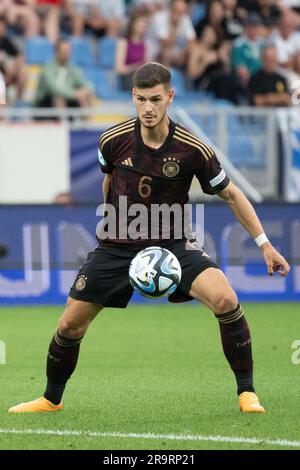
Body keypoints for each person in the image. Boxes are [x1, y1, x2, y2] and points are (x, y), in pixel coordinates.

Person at [8, 62, 290, 414]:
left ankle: (247, 393)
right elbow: (108, 182)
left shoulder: (192, 149)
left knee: (225, 299)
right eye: (141, 99)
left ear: (170, 97)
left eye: (156, 99)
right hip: (117, 246)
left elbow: (232, 195)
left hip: (173, 243)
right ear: (133, 97)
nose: (148, 108)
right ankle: (50, 399)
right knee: (69, 323)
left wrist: (265, 244)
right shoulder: (111, 140)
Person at [34, 39, 93, 109]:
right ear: (56, 52)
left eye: (69, 50)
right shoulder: (47, 68)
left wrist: (85, 91)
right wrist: (75, 94)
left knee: (85, 96)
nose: (68, 53)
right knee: (57, 96)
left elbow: (86, 84)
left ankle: (86, 119)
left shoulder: (72, 69)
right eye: (65, 50)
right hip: (44, 104)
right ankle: (63, 119)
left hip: (67, 101)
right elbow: (53, 88)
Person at [115, 12, 151, 90]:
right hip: (129, 78)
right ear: (133, 25)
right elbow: (119, 69)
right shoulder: (123, 42)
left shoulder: (146, 45)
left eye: (145, 25)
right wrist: (136, 66)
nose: (143, 28)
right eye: (141, 25)